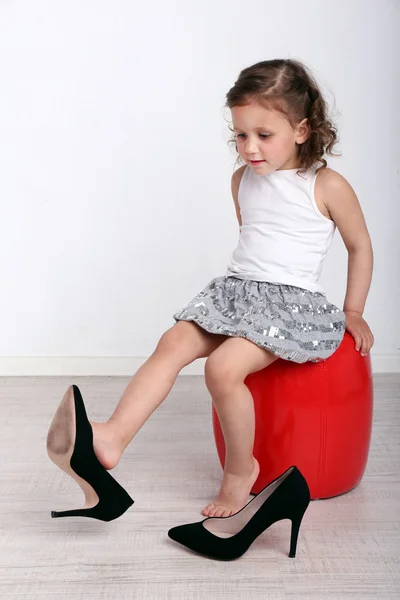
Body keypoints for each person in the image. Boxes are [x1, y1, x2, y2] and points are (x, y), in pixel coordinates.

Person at [47, 58, 374, 525]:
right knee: (173, 342)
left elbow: (360, 247)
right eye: (241, 135)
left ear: (302, 129)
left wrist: (354, 309)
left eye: (264, 135)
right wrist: (235, 310)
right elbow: (253, 242)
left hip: (289, 306)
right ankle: (112, 438)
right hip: (238, 294)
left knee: (223, 369)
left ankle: (242, 471)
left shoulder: (325, 185)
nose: (250, 148)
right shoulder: (242, 180)